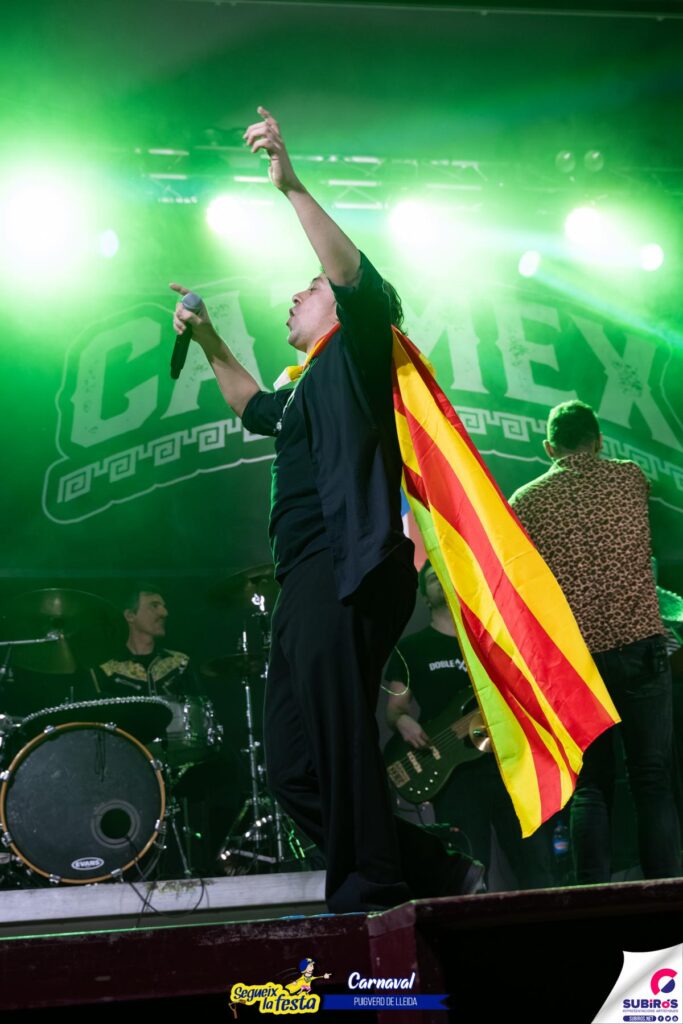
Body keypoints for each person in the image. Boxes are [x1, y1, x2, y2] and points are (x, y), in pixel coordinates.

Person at [170, 106, 482, 912]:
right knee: (293, 766)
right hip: (307, 575)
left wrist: (291, 184)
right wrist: (208, 338)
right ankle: (432, 868)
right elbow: (251, 409)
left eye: (307, 290)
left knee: (338, 740)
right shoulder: (304, 383)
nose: (294, 297)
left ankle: (370, 893)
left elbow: (350, 276)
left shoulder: (359, 348)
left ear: (340, 308)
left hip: (348, 566)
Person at [509, 399, 680, 883]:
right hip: (640, 647)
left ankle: (592, 896)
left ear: (549, 447)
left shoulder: (526, 501)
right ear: (599, 440)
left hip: (578, 664)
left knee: (590, 788)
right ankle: (667, 891)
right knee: (651, 778)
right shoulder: (630, 477)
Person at [385, 561, 555, 890]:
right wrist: (402, 721)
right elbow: (395, 709)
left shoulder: (491, 642)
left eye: (447, 575)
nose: (441, 581)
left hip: (506, 766)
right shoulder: (410, 649)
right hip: (455, 775)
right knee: (470, 872)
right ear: (424, 596)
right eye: (433, 578)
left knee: (536, 865)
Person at [97, 584, 196, 699]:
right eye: (154, 606)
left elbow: (198, 706)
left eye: (163, 607)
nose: (164, 613)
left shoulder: (180, 663)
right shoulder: (108, 670)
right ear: (130, 616)